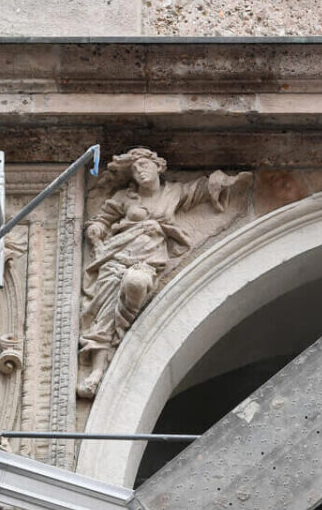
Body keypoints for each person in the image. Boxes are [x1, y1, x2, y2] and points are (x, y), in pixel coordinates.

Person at [78, 148, 242, 397]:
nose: (139, 171)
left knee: (136, 282)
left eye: (144, 164)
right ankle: (97, 371)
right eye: (134, 168)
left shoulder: (174, 192)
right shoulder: (126, 197)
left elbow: (200, 190)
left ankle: (128, 330)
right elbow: (101, 220)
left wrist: (226, 180)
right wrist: (96, 233)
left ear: (159, 166)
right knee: (104, 316)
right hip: (115, 257)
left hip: (148, 261)